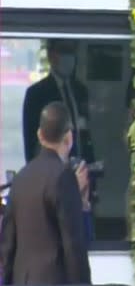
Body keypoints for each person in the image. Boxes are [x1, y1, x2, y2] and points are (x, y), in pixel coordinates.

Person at [0, 102, 103, 286]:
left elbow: (7, 246)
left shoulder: (22, 178)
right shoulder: (63, 177)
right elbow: (73, 247)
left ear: (39, 134)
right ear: (68, 137)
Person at [22, 39, 96, 243]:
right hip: (52, 175)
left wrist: (91, 165)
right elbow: (30, 139)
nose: (69, 58)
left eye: (73, 51)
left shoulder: (80, 91)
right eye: (65, 51)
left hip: (81, 171)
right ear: (52, 55)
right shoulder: (37, 93)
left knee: (82, 229)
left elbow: (86, 133)